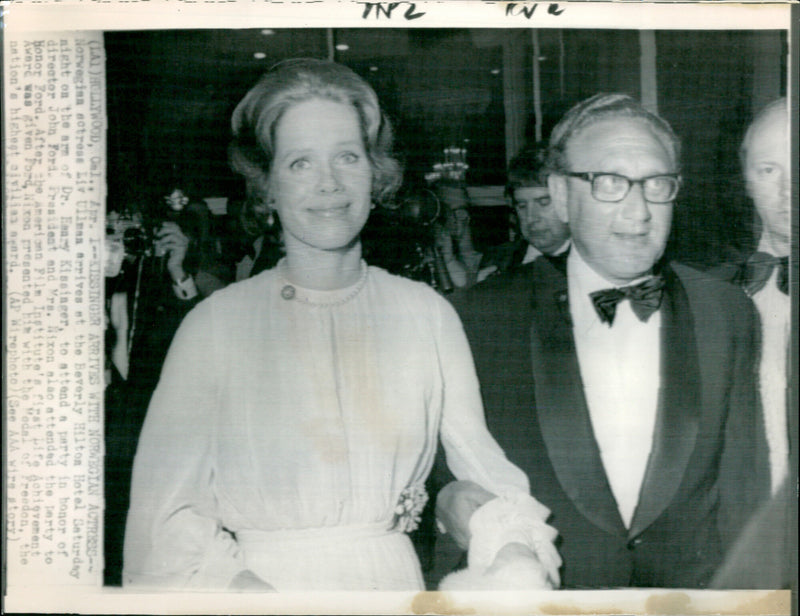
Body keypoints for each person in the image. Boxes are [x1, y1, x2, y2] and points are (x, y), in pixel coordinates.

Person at [123, 58, 559, 592]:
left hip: (393, 585)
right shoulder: (214, 325)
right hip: (257, 593)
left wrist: (513, 553)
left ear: (376, 173)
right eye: (300, 163)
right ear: (267, 185)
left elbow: (487, 473)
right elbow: (162, 521)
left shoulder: (426, 314)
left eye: (347, 157)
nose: (328, 184)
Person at [437, 93, 770, 588]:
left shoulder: (726, 312)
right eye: (609, 183)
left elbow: (744, 497)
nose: (638, 212)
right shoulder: (482, 318)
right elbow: (447, 474)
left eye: (657, 184)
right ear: (562, 194)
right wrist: (448, 504)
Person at [104, 190, 230, 585]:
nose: (124, 243)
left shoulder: (165, 280)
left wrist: (177, 271)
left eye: (132, 232)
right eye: (110, 231)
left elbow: (210, 344)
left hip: (152, 437)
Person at [709, 97, 794, 589]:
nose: (788, 190)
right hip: (743, 562)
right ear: (745, 181)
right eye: (768, 170)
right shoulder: (713, 299)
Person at [478, 144, 571, 280]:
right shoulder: (497, 259)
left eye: (543, 203)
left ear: (568, 202)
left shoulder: (595, 263)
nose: (531, 218)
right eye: (522, 206)